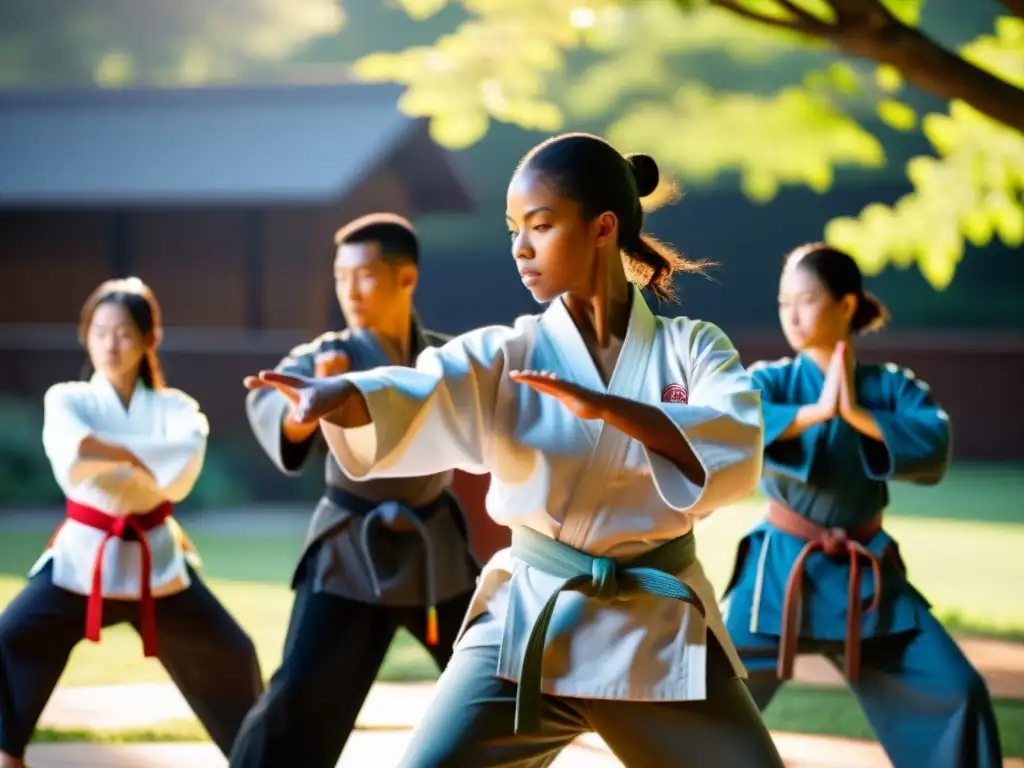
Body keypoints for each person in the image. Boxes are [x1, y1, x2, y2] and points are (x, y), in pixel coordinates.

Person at [244, 134, 785, 767]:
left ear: (603, 227)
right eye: (512, 230)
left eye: (541, 225)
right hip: (529, 621)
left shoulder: (691, 348)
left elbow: (736, 441)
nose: (520, 248)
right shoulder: (511, 352)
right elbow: (422, 388)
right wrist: (343, 392)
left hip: (654, 629)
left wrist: (614, 409)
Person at [720, 243, 1004, 768]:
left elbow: (933, 439)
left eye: (805, 300)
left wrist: (855, 415)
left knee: (959, 692)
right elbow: (733, 418)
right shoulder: (770, 379)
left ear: (847, 306)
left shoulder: (890, 386)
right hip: (779, 576)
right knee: (701, 693)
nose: (793, 315)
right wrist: (814, 412)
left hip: (868, 581)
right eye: (784, 304)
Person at [229, 214, 480, 768]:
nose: (350, 292)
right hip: (349, 548)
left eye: (364, 276)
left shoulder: (446, 359)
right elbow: (277, 402)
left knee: (493, 681)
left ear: (406, 278)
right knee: (298, 697)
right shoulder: (325, 359)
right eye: (341, 278)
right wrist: (308, 408)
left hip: (432, 547)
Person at [0, 278, 263, 768]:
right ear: (86, 337)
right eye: (99, 332)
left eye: (123, 333)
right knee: (12, 635)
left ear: (147, 339)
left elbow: (181, 470)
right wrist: (143, 459)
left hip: (157, 563)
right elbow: (73, 454)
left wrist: (110, 451)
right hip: (82, 560)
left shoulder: (177, 408)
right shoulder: (67, 398)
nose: (110, 344)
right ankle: (9, 753)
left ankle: (256, 758)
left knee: (233, 651)